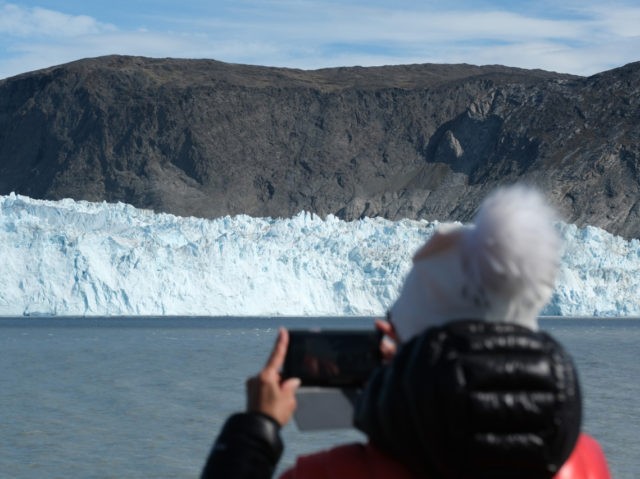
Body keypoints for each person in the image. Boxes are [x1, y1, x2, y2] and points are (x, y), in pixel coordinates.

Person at [201, 185, 611, 478]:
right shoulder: (586, 464)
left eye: (396, 319)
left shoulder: (333, 473)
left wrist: (256, 429)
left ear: (402, 336)